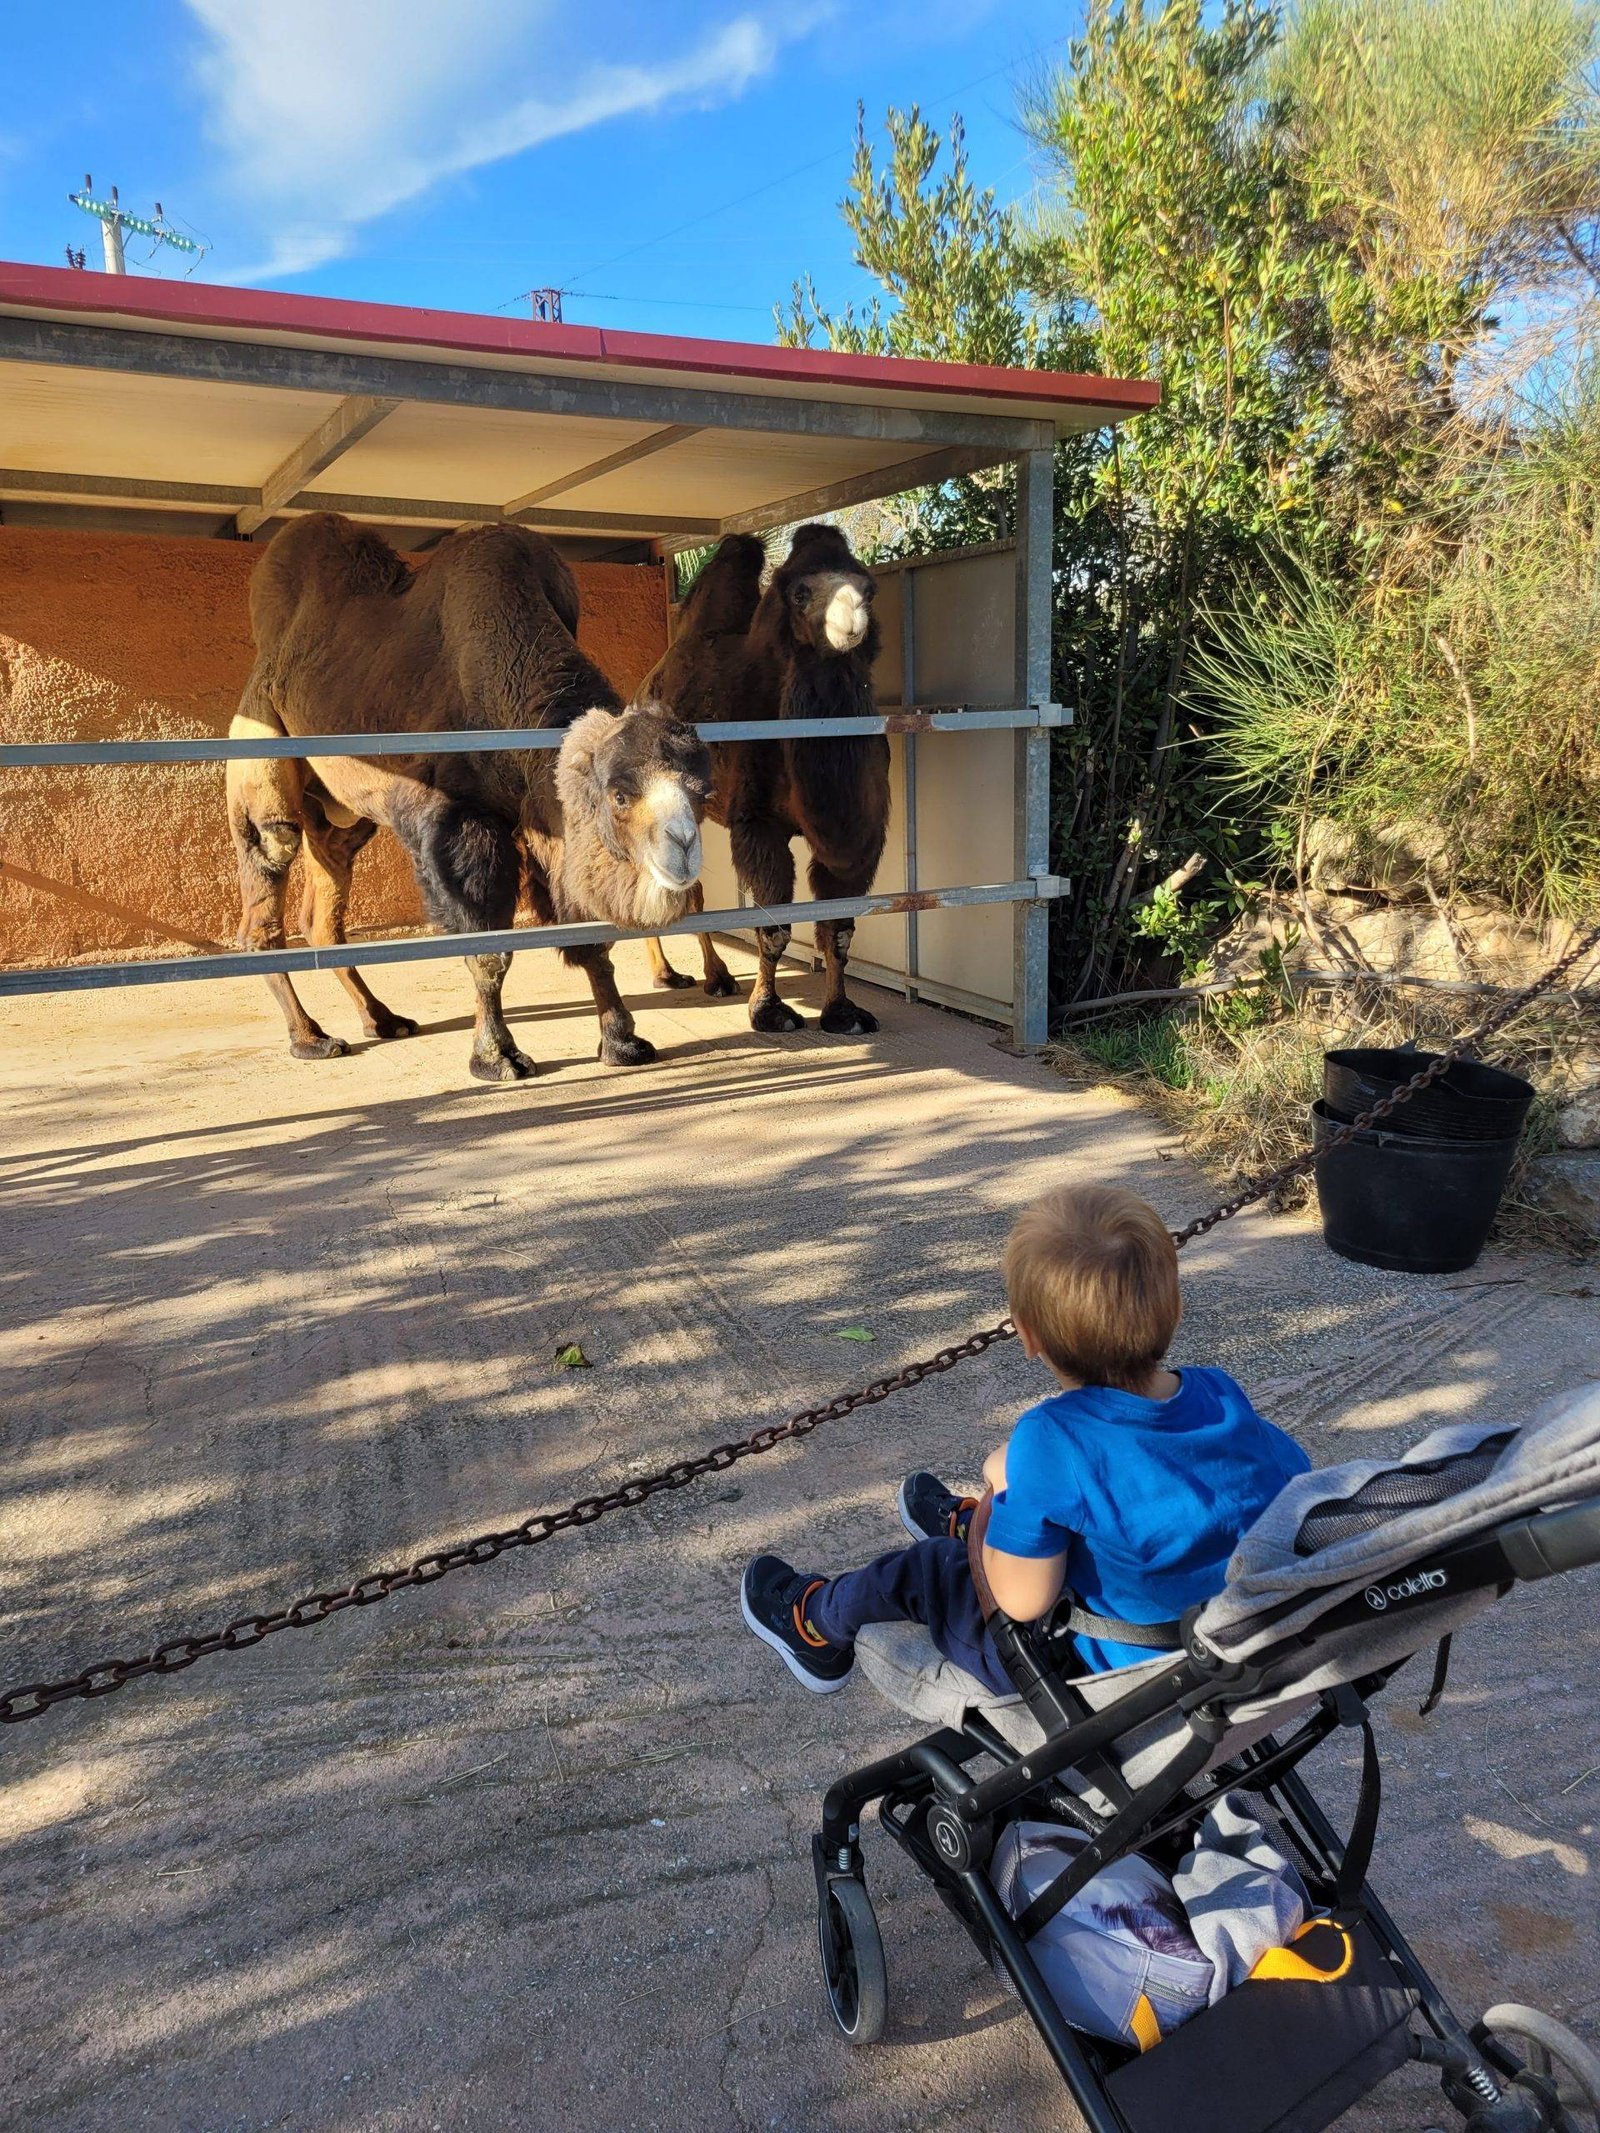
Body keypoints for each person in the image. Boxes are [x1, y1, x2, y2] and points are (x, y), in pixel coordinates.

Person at [739, 1182, 1310, 1694]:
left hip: (1108, 1671)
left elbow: (1022, 1601)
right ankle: (1008, 1524)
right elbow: (1286, 1480)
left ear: (1027, 1334)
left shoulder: (1052, 1438)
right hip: (1230, 1644)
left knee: (930, 1570)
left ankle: (815, 1625)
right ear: (1175, 1308)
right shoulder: (1219, 1393)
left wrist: (1008, 1486)